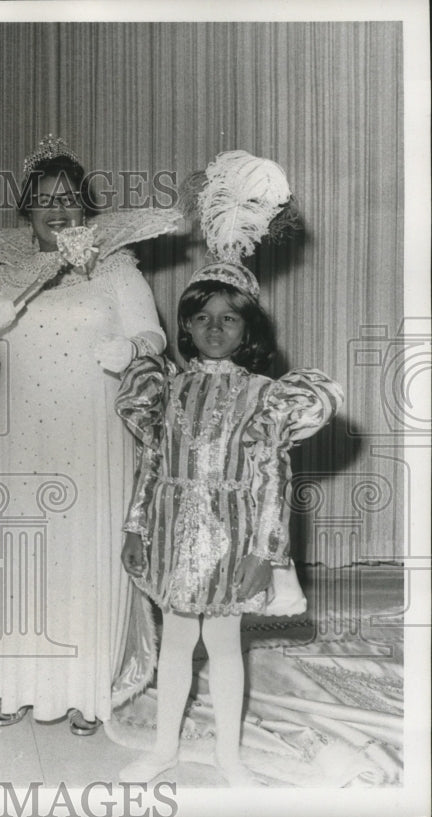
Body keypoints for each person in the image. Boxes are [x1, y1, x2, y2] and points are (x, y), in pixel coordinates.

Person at [115, 151, 344, 785]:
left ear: (248, 329)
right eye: (202, 319)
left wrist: (265, 553)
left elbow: (273, 482)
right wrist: (135, 528)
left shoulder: (264, 396)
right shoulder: (169, 388)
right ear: (185, 325)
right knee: (175, 641)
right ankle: (162, 748)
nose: (214, 329)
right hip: (169, 527)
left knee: (222, 645)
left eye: (229, 319)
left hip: (231, 537)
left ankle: (227, 756)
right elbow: (153, 461)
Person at [0, 135, 168, 735]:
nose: (57, 208)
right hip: (24, 439)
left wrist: (129, 347)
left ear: (86, 209)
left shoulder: (116, 266)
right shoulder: (9, 272)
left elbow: (152, 337)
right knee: (25, 553)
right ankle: (16, 682)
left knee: (83, 552)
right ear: (27, 211)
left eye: (69, 198)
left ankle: (85, 688)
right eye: (44, 199)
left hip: (91, 434)